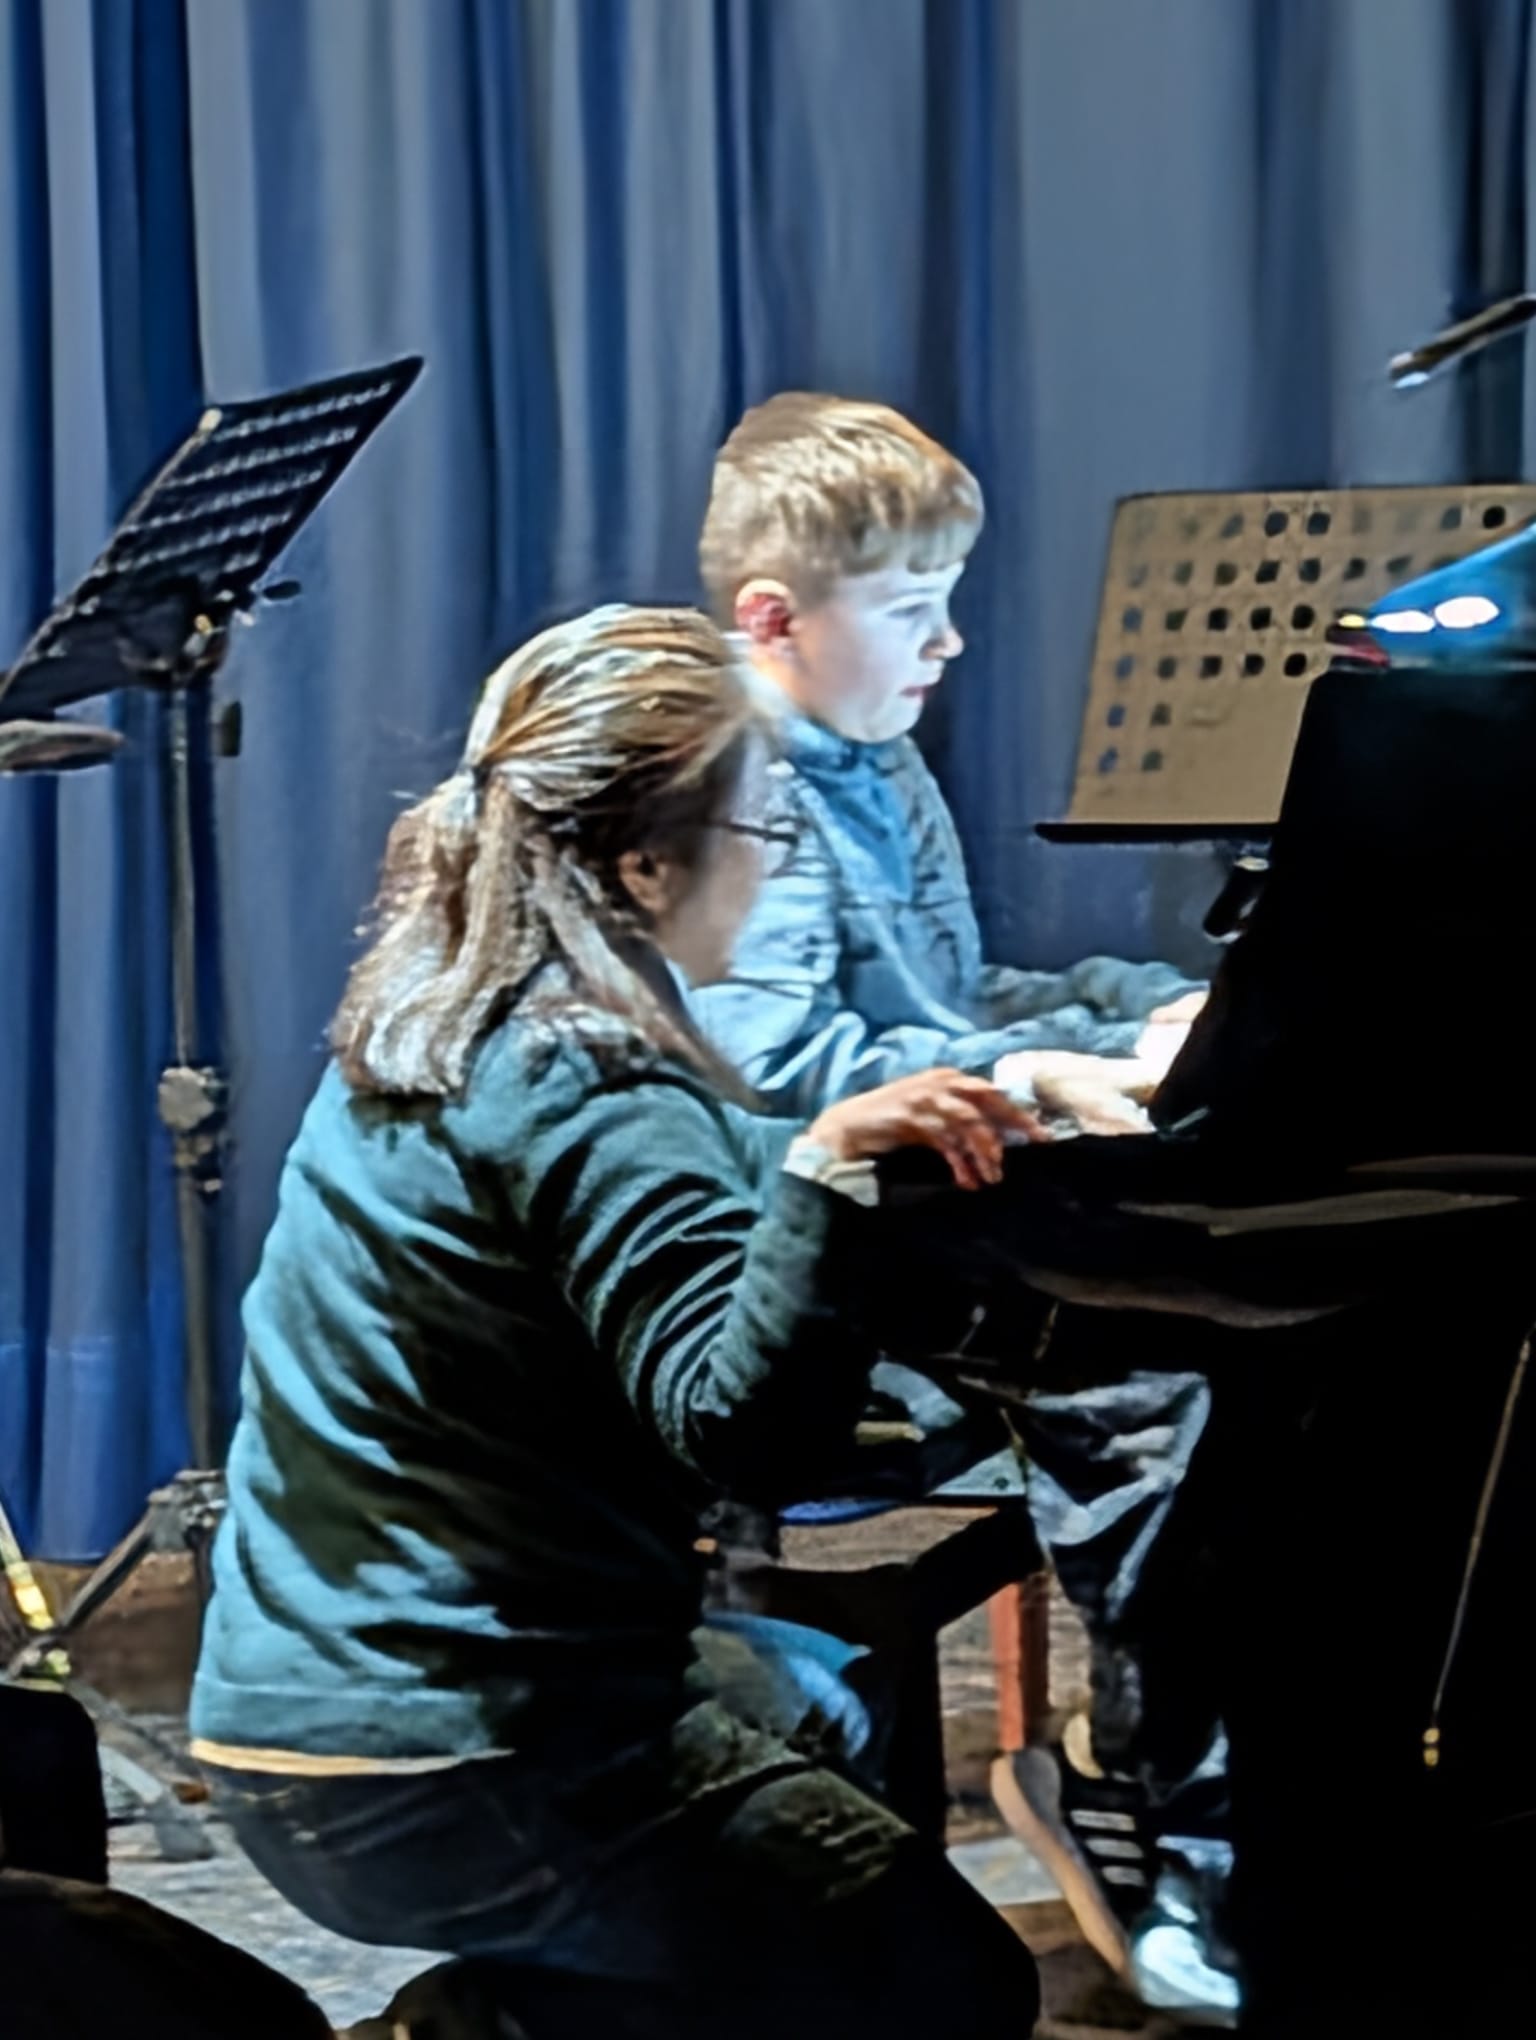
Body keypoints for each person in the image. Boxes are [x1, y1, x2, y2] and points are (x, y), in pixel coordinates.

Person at [189, 604, 1043, 2039]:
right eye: (768, 831)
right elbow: (755, 1444)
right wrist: (831, 1180)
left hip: (288, 1734)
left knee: (813, 1695)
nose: (777, 867)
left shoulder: (435, 1021)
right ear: (647, 864)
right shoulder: (590, 1075)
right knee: (948, 1984)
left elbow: (653, 1200)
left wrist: (964, 1108)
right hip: (465, 1764)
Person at [689, 392, 1235, 2019]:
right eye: (912, 607)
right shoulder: (732, 782)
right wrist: (1042, 1069)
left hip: (946, 1200)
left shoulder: (876, 756)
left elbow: (951, 999)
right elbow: (784, 1068)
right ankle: (1171, 1821)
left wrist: (1153, 1006)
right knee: (1163, 1387)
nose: (949, 643)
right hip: (828, 1252)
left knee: (1282, 1322)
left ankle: (1217, 1775)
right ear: (773, 620)